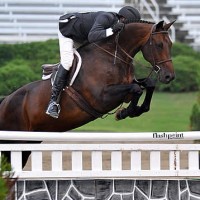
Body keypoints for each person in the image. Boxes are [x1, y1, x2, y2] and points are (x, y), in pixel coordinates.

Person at [46, 6, 141, 119]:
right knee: (67, 62)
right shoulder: (106, 17)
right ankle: (53, 102)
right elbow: (92, 36)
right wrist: (112, 29)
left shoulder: (117, 23)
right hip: (68, 31)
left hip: (83, 34)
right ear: (123, 19)